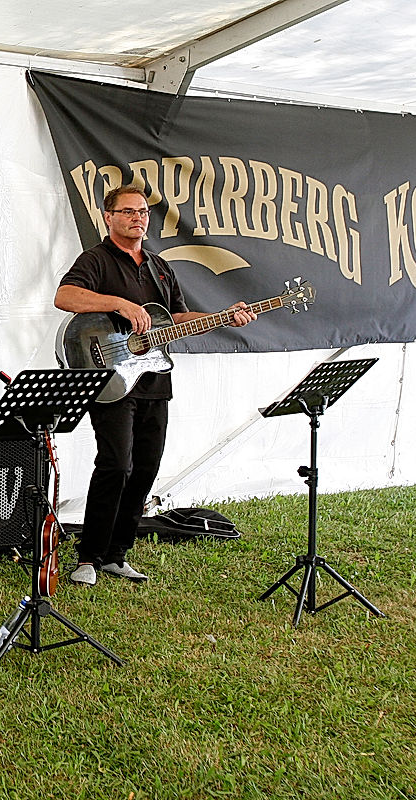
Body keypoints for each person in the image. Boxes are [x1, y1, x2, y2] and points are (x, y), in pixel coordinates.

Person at [54, 185, 256, 586]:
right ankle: (88, 557)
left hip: (154, 381)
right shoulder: (95, 260)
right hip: (111, 380)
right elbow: (65, 297)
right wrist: (119, 304)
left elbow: (176, 318)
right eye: (128, 211)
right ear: (108, 217)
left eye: (143, 212)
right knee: (116, 464)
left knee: (145, 468)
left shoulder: (160, 267)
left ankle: (117, 553)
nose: (138, 218)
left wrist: (221, 317)